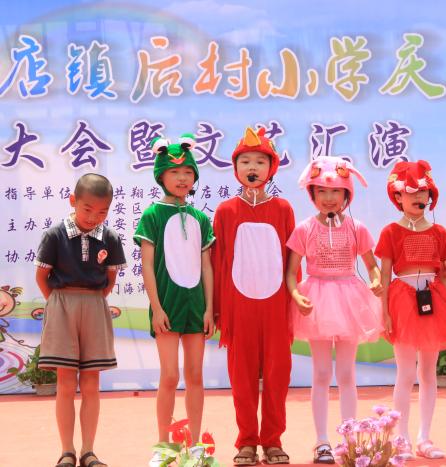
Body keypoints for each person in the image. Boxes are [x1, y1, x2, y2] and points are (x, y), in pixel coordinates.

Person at [286, 156, 383, 463]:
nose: (329, 198)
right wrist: (295, 295)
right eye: (322, 191)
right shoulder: (304, 229)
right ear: (312, 194)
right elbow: (291, 272)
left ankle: (350, 439)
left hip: (349, 299)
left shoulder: (357, 227)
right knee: (321, 373)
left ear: (346, 194)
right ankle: (322, 441)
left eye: (336, 191)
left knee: (346, 373)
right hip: (316, 300)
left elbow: (371, 265)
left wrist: (376, 280)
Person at [211, 127, 295, 465]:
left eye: (260, 161)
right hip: (238, 307)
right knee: (242, 377)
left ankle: (273, 441)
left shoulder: (283, 209)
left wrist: (293, 302)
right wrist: (217, 310)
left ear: (271, 168)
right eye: (245, 161)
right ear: (235, 168)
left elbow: (292, 262)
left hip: (276, 308)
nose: (252, 167)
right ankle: (246, 441)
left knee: (277, 375)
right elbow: (218, 263)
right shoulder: (226, 211)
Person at [134, 134, 215, 467]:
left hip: (196, 307)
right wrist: (156, 308)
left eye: (188, 173)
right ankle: (165, 446)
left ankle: (195, 445)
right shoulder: (152, 215)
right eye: (174, 172)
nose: (182, 179)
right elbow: (147, 265)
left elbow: (207, 266)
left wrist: (209, 309)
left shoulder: (201, 218)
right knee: (169, 376)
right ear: (161, 176)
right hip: (166, 307)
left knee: (195, 376)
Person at [35, 173, 127, 467]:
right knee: (65, 383)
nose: (93, 217)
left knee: (91, 383)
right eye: (87, 209)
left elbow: (110, 279)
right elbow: (42, 276)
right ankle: (67, 451)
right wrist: (59, 303)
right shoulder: (55, 235)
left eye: (102, 212)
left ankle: (88, 451)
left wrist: (93, 300)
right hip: (61, 303)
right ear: (73, 201)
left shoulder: (110, 237)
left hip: (95, 304)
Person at [375, 160, 446, 460]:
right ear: (398, 196)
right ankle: (402, 438)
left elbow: (444, 274)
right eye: (411, 192)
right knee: (406, 372)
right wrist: (384, 311)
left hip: (432, 301)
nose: (419, 197)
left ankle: (425, 437)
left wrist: (445, 307)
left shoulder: (440, 232)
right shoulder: (390, 232)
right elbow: (384, 276)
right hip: (403, 300)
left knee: (429, 372)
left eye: (424, 192)